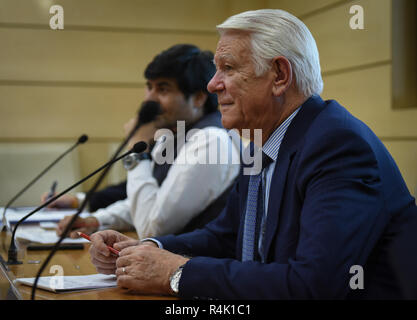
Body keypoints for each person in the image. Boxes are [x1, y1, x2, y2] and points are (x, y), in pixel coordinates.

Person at [88, 9, 417, 299]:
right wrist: (149, 250)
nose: (213, 85)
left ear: (279, 76)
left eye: (227, 68)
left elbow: (315, 285)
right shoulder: (261, 141)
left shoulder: (337, 145)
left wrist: (176, 274)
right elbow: (227, 235)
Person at [55, 44, 240, 239]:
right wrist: (97, 220)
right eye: (149, 87)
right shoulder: (172, 135)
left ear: (198, 99)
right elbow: (150, 201)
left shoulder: (211, 141)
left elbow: (153, 228)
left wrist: (137, 154)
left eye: (163, 89)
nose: (149, 99)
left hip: (196, 264)